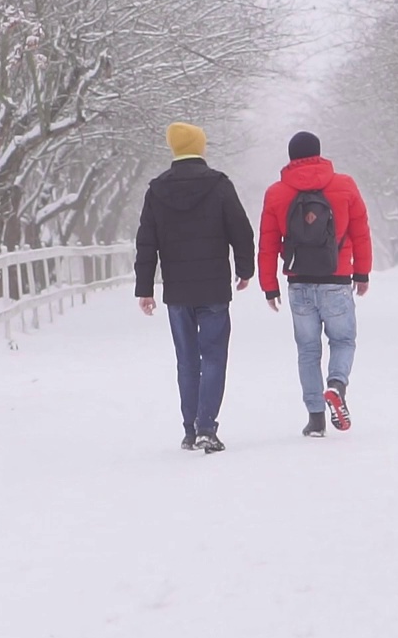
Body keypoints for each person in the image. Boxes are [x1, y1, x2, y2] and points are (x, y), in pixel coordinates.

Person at [134, 122, 255, 454]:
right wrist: (245, 269)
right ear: (200, 147)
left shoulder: (156, 190)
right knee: (214, 356)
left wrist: (144, 287)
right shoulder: (219, 185)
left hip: (177, 291)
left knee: (187, 360)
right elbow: (241, 230)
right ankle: (207, 428)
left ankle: (190, 429)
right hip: (214, 286)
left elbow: (146, 243)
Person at [258, 131, 372, 437]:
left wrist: (269, 286)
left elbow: (268, 243)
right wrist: (362, 272)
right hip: (336, 278)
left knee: (308, 351)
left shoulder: (277, 193)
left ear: (291, 156)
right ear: (319, 153)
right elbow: (360, 231)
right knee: (343, 340)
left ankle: (316, 418)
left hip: (300, 281)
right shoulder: (344, 185)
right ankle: (336, 384)